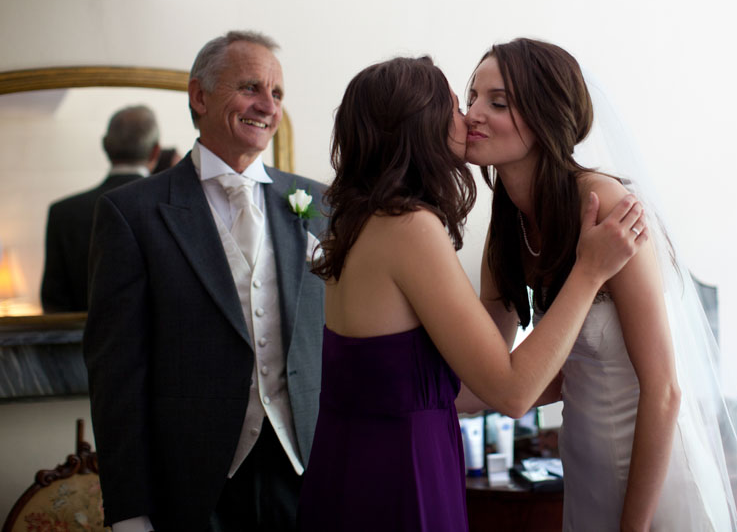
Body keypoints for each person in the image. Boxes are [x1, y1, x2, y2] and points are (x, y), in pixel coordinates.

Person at [296, 56, 645, 531]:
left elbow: (451, 380)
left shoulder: (361, 223)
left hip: (351, 464)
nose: (470, 117)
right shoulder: (410, 228)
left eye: (490, 102)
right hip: (401, 478)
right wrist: (589, 271)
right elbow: (512, 390)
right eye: (458, 105)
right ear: (420, 124)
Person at [465, 38, 737, 531]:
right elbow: (495, 370)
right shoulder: (507, 229)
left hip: (656, 479)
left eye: (497, 102)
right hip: (583, 466)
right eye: (471, 97)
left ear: (545, 116)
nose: (472, 114)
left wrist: (633, 527)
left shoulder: (607, 206)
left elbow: (664, 391)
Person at [84, 31, 327, 532]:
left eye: (277, 94)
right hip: (193, 489)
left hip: (307, 474)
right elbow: (117, 378)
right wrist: (130, 511)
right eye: (250, 88)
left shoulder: (318, 203)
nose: (267, 106)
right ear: (199, 96)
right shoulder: (133, 213)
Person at [41, 104, 161, 313]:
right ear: (155, 151)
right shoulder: (169, 208)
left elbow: (54, 304)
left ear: (105, 145)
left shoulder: (63, 213)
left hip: (81, 344)